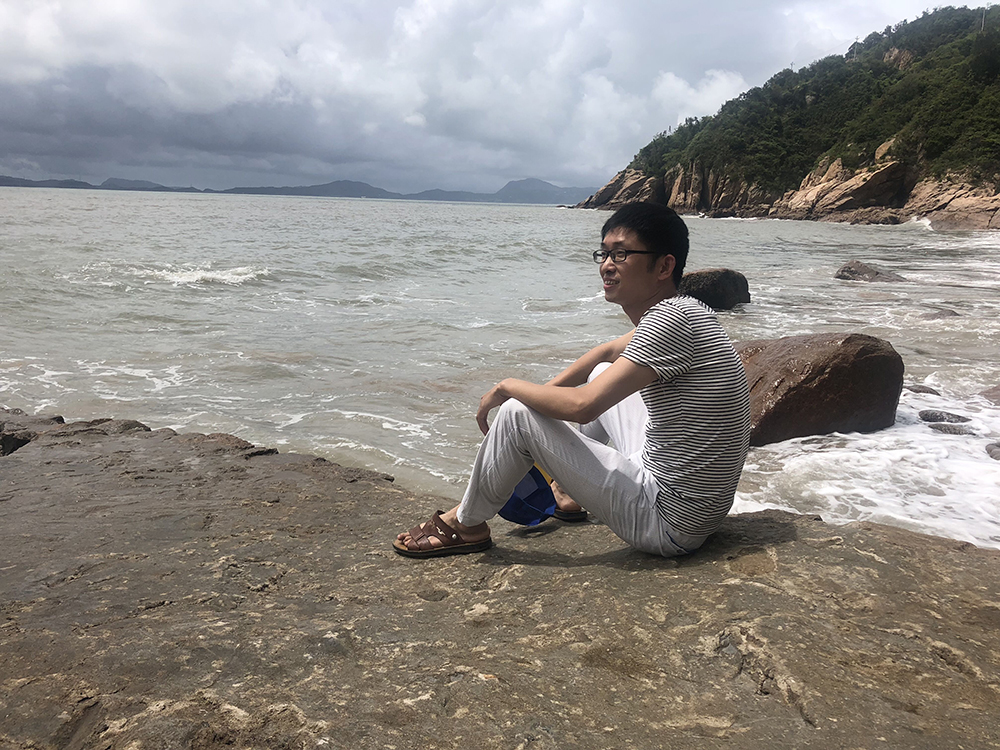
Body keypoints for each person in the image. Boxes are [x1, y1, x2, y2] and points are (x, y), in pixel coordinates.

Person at [393, 202, 751, 559]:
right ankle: (565, 491)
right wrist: (544, 400)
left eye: (621, 254)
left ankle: (465, 523)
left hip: (667, 521)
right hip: (693, 506)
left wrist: (508, 389)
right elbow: (604, 353)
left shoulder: (670, 322)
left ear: (664, 266)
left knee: (517, 413)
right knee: (600, 373)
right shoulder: (687, 311)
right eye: (604, 253)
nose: (607, 265)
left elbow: (583, 407)